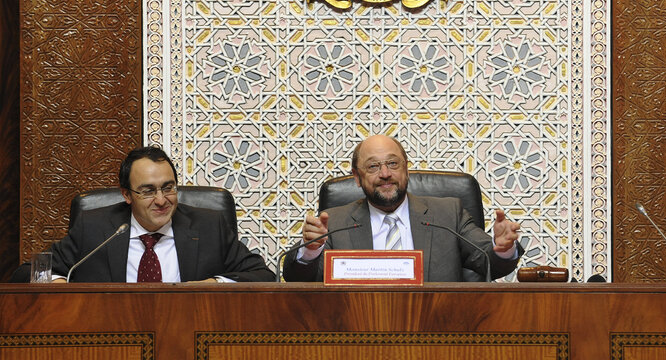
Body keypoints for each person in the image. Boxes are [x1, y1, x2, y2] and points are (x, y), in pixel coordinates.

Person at [282, 134, 522, 282]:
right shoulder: (334, 222)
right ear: (357, 177)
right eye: (373, 166)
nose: (385, 174)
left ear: (406, 168)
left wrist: (502, 248)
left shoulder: (448, 214)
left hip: (436, 336)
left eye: (393, 163)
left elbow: (488, 262)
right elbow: (297, 278)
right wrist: (311, 251)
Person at [16, 146, 274, 283]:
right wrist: (58, 283)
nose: (162, 200)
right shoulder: (95, 229)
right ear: (126, 195)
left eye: (169, 187)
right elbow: (26, 273)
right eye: (148, 191)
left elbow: (262, 276)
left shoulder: (208, 226)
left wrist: (212, 285)